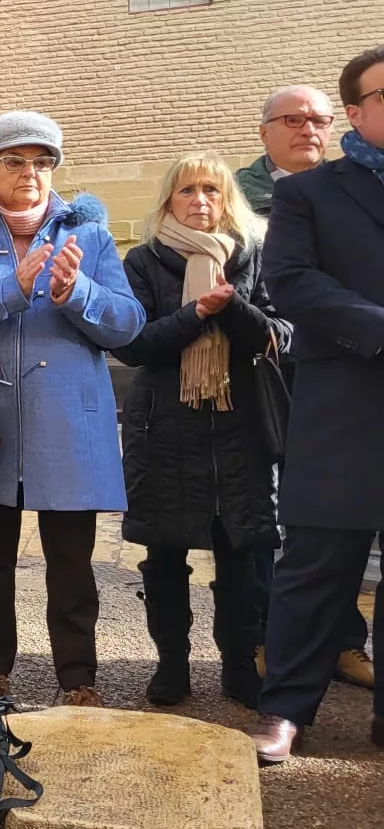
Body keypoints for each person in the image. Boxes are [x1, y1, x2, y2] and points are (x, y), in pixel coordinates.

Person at [0, 112, 144, 708]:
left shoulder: (89, 239)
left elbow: (128, 327)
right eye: (15, 162)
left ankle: (78, 680)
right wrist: (10, 289)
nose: (31, 174)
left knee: (71, 563)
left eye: (43, 162)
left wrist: (80, 294)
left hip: (69, 425)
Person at [252, 45, 384, 762]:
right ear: (357, 115)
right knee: (318, 560)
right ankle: (285, 710)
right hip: (345, 397)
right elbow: (293, 283)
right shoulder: (310, 193)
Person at [114, 156, 285, 708]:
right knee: (164, 558)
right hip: (164, 429)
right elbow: (132, 344)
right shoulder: (142, 261)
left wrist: (231, 309)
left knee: (242, 557)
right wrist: (194, 315)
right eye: (187, 190)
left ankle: (238, 665)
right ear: (169, 200)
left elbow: (280, 332)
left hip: (239, 429)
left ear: (227, 198)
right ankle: (171, 666)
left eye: (211, 189)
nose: (200, 200)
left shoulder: (252, 257)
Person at [237, 85, 335, 216]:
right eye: (293, 120)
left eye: (319, 121)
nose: (309, 131)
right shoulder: (229, 194)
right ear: (264, 134)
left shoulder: (356, 188)